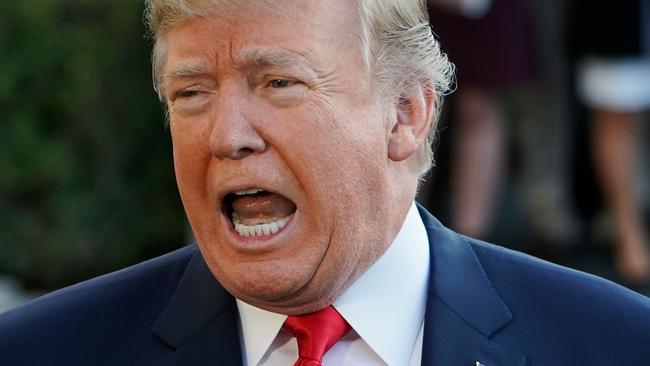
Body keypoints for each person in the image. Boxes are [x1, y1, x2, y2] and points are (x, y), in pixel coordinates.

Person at [0, 0, 648, 365]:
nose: (227, 135)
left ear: (406, 115)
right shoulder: (40, 353)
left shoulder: (615, 346)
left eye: (278, 83)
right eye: (191, 92)